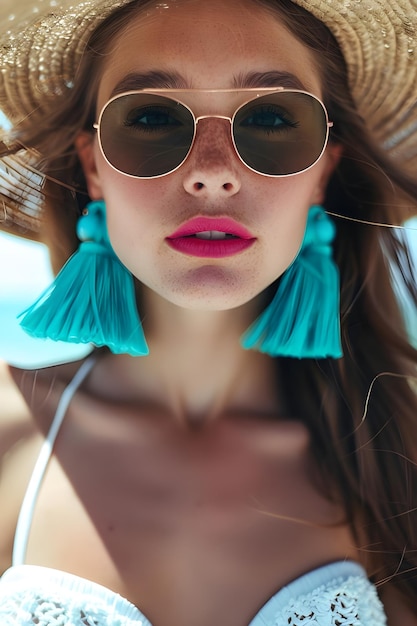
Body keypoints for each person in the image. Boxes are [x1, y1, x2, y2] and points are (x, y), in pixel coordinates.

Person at [0, 0, 416, 623]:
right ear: (93, 166)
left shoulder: (401, 450)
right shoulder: (8, 434)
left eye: (273, 117)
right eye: (151, 116)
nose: (213, 174)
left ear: (325, 171)